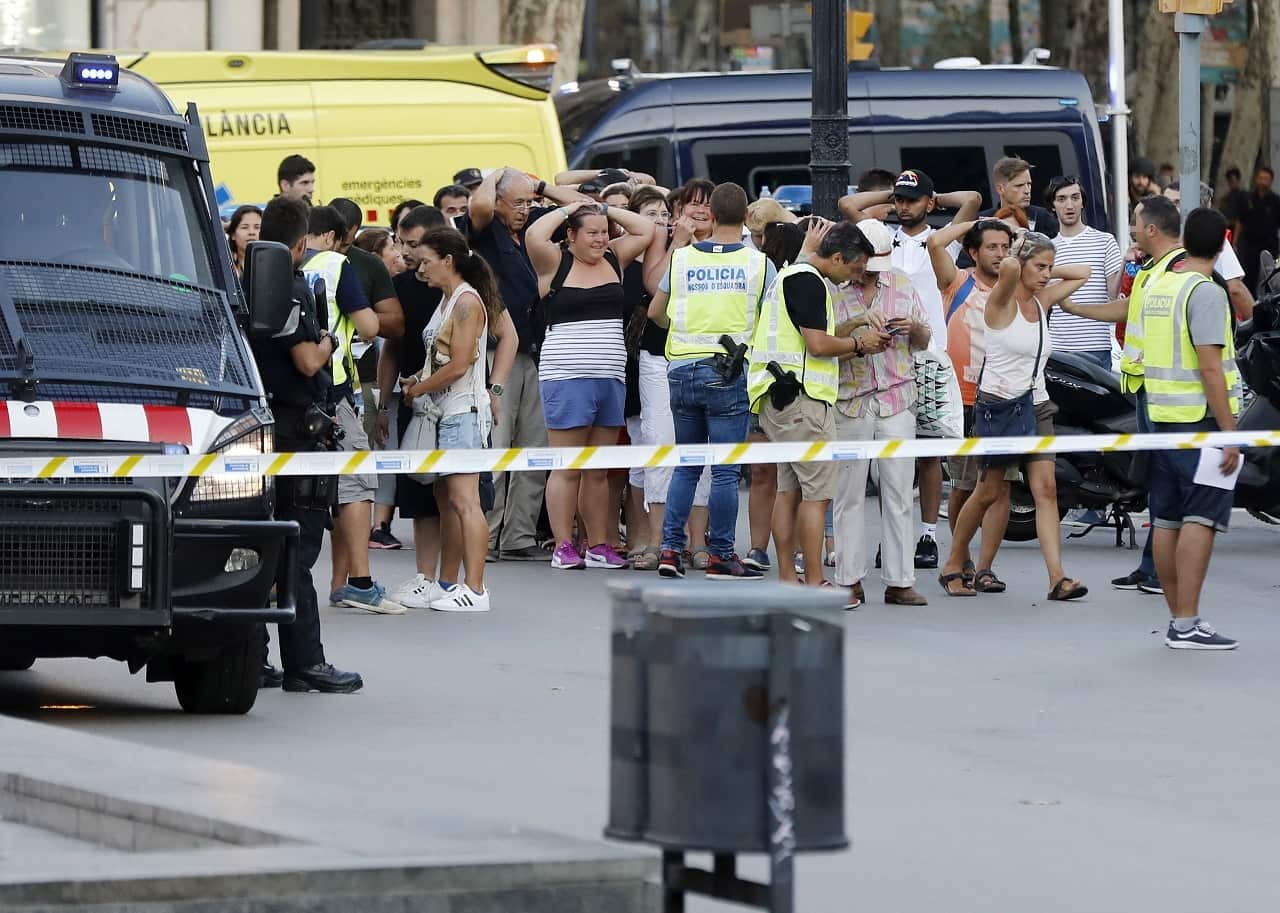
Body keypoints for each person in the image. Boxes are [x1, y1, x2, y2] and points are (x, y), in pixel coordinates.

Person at [840, 169, 983, 569]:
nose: (903, 207)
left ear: (929, 203)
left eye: (912, 200)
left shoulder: (940, 241)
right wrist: (892, 193)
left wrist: (931, 194)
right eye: (900, 201)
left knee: (928, 453)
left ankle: (927, 534)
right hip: (885, 354)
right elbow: (849, 206)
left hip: (929, 352)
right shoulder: (882, 239)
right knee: (889, 459)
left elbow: (971, 196)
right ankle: (894, 537)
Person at [938, 232, 1090, 600]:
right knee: (989, 490)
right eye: (1039, 267)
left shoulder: (1041, 300)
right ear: (1020, 265)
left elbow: (1082, 274)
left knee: (1046, 489)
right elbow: (1007, 267)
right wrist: (1022, 256)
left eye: (1049, 268)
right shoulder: (1000, 300)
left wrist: (1045, 268)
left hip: (1036, 403)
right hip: (1000, 403)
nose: (1046, 275)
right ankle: (954, 561)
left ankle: (1057, 578)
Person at [253, 197, 362, 693]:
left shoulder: (242, 283)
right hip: (297, 431)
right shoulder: (290, 288)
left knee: (259, 544)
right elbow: (307, 362)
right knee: (298, 547)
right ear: (300, 244)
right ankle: (305, 662)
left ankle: (253, 655)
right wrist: (332, 342)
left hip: (259, 430)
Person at [461, 167, 591, 561]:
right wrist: (497, 173)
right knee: (498, 447)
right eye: (516, 202)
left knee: (535, 445)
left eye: (529, 203)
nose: (525, 209)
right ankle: (487, 535)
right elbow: (480, 202)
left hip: (536, 350)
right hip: (496, 353)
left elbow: (581, 207)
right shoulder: (484, 230)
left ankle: (518, 536)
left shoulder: (534, 224)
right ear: (498, 201)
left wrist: (537, 188)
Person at [1057, 195, 1183, 596]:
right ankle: (1151, 569)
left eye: (1135, 222)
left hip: (1172, 397)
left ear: (1151, 229)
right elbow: (1128, 310)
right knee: (1157, 482)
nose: (1130, 229)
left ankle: (1161, 573)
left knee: (1170, 484)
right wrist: (1075, 309)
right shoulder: (1152, 269)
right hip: (1147, 390)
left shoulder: (1179, 272)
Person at [647, 182, 773, 581]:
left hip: (682, 369)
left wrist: (682, 330)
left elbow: (655, 312)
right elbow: (770, 318)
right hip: (728, 372)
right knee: (723, 471)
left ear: (712, 216)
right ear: (746, 218)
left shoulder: (681, 259)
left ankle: (670, 548)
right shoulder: (758, 263)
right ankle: (719, 552)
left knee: (686, 465)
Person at [524, 200, 654, 569]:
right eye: (591, 233)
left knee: (598, 468)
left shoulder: (614, 258)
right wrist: (571, 207)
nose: (600, 239)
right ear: (570, 236)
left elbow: (646, 230)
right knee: (567, 466)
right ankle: (564, 544)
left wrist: (605, 211)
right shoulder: (555, 261)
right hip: (566, 375)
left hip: (609, 376)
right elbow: (534, 233)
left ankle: (598, 543)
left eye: (604, 233)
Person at [747, 219, 876, 589]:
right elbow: (818, 346)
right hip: (803, 402)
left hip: (779, 400)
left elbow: (807, 336)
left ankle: (790, 578)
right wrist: (859, 346)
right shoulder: (809, 281)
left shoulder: (791, 275)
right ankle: (817, 580)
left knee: (789, 493)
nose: (856, 276)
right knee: (817, 498)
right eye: (854, 268)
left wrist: (850, 329)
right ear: (836, 257)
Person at [399, 228, 516, 612]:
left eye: (427, 261)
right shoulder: (449, 300)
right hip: (446, 411)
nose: (421, 268)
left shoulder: (467, 302)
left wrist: (418, 388)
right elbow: (443, 359)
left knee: (465, 501)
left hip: (463, 412)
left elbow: (461, 365)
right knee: (447, 498)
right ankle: (447, 583)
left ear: (447, 260)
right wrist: (419, 378)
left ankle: (476, 588)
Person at [1142, 207, 1242, 649]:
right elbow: (1210, 367)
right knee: (1200, 518)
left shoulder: (1164, 283)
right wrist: (1229, 433)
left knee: (1166, 521)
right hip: (1200, 424)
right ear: (1223, 244)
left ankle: (1177, 619)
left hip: (1162, 418)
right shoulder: (1205, 292)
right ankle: (1186, 623)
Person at [300, 205, 401, 614]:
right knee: (356, 484)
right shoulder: (336, 265)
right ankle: (358, 581)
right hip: (334, 389)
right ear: (331, 237)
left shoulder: (271, 262)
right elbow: (370, 327)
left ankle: (320, 582)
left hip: (289, 394)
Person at [831, 220, 931, 608]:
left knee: (899, 493)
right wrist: (858, 339)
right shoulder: (834, 287)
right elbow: (821, 340)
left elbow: (924, 341)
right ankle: (848, 578)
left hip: (895, 397)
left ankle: (900, 580)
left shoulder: (903, 285)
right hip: (851, 398)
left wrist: (914, 328)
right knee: (848, 493)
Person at [927, 217, 1018, 591]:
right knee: (964, 487)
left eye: (1005, 247)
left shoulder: (1015, 285)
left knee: (1000, 488)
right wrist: (974, 221)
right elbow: (935, 244)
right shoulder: (958, 282)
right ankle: (960, 557)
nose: (1000, 254)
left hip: (1004, 398)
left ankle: (985, 568)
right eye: (992, 247)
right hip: (964, 401)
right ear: (973, 252)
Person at [330, 198, 407, 548]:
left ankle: (366, 534)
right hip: (314, 382)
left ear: (353, 234)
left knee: (364, 462)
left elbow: (395, 323)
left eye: (343, 241)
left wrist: (361, 319)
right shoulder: (302, 259)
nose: (335, 248)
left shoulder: (367, 266)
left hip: (363, 381)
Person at [1045, 175, 1123, 368]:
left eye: (1075, 197)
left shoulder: (1105, 241)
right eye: (1062, 199)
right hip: (1057, 347)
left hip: (1096, 345)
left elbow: (1114, 295)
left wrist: (1125, 263)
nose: (1069, 205)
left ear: (1082, 203)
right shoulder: (1046, 248)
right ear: (1053, 205)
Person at [1163, 181, 1254, 320]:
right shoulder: (1154, 239)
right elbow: (1235, 289)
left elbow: (1234, 288)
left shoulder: (1207, 235)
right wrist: (1259, 325)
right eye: (1165, 203)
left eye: (1176, 203)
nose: (1168, 209)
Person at [979, 157, 1058, 238]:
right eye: (1019, 185)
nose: (1027, 191)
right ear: (1000, 189)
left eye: (1029, 184)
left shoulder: (1043, 217)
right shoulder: (982, 220)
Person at [1232, 165, 1280, 294]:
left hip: (1270, 244)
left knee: (1270, 276)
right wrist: (1235, 242)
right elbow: (1240, 221)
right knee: (1249, 277)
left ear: (1271, 180)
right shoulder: (1248, 199)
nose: (1263, 181)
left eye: (1266, 178)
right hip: (1250, 245)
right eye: (1261, 178)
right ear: (1256, 179)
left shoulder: (1276, 201)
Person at [226, 204, 261, 279]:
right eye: (244, 227)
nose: (251, 232)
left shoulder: (272, 266)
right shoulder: (225, 267)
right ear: (233, 235)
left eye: (257, 227)